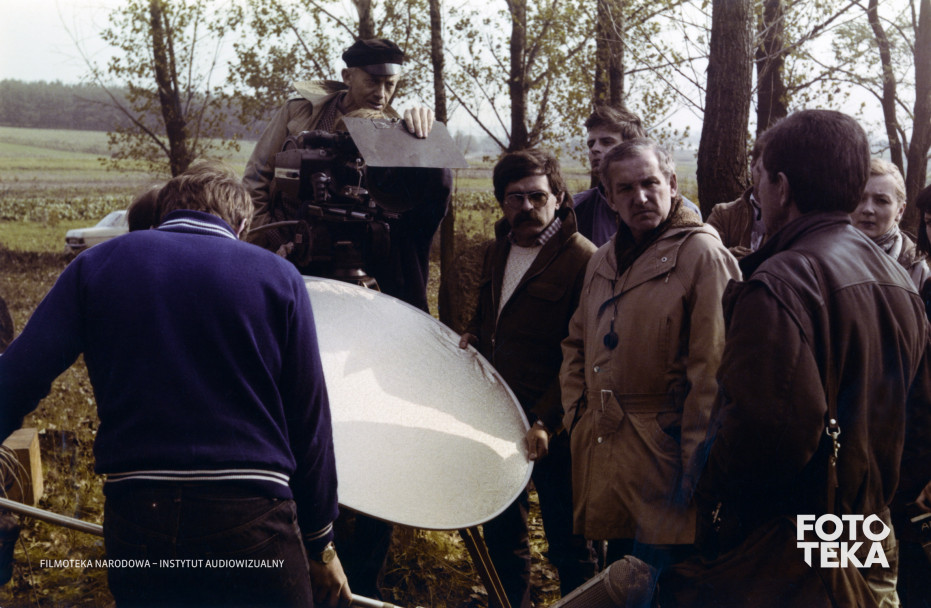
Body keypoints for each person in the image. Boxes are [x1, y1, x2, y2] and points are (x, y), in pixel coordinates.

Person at [0, 161, 351, 607]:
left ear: (163, 212)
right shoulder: (278, 276)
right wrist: (321, 543)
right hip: (251, 516)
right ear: (241, 225)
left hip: (139, 515)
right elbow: (310, 422)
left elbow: (16, 378)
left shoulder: (94, 266)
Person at [687, 109, 931, 607]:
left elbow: (767, 436)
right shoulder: (898, 278)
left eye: (761, 178)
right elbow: (920, 415)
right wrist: (878, 500)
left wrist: (710, 496)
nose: (757, 191)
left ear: (781, 186)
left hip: (797, 540)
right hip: (870, 521)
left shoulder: (780, 283)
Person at [559, 139, 740, 572]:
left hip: (667, 462)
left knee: (670, 584)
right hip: (606, 451)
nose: (640, 197)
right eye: (625, 189)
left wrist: (698, 469)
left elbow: (713, 373)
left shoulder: (702, 254)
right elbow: (575, 344)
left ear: (672, 185)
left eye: (650, 183)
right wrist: (577, 417)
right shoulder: (602, 260)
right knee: (621, 579)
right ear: (609, 198)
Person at [458, 149, 598, 607]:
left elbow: (583, 351)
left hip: (558, 425)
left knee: (570, 543)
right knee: (504, 535)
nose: (527, 207)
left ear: (558, 197)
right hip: (499, 415)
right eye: (514, 197)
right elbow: (492, 316)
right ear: (501, 202)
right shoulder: (498, 249)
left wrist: (546, 419)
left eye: (537, 196)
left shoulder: (584, 259)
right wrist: (474, 333)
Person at [243, 37, 451, 312]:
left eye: (390, 84)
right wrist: (272, 246)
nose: (381, 94)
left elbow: (419, 201)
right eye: (372, 82)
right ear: (347, 76)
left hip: (353, 261)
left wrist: (422, 134)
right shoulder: (298, 111)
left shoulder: (394, 130)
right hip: (284, 250)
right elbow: (256, 180)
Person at [573, 105, 701, 247]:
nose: (595, 149)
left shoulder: (683, 211)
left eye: (606, 142)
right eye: (591, 144)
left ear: (632, 146)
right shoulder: (577, 208)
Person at [850, 158, 930, 289]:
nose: (868, 209)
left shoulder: (919, 268)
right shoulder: (826, 256)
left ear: (900, 210)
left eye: (881, 201)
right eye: (860, 198)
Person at [706, 138, 767, 259]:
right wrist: (729, 258)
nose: (768, 177)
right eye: (764, 168)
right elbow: (705, 257)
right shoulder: (723, 214)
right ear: (752, 165)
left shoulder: (792, 218)